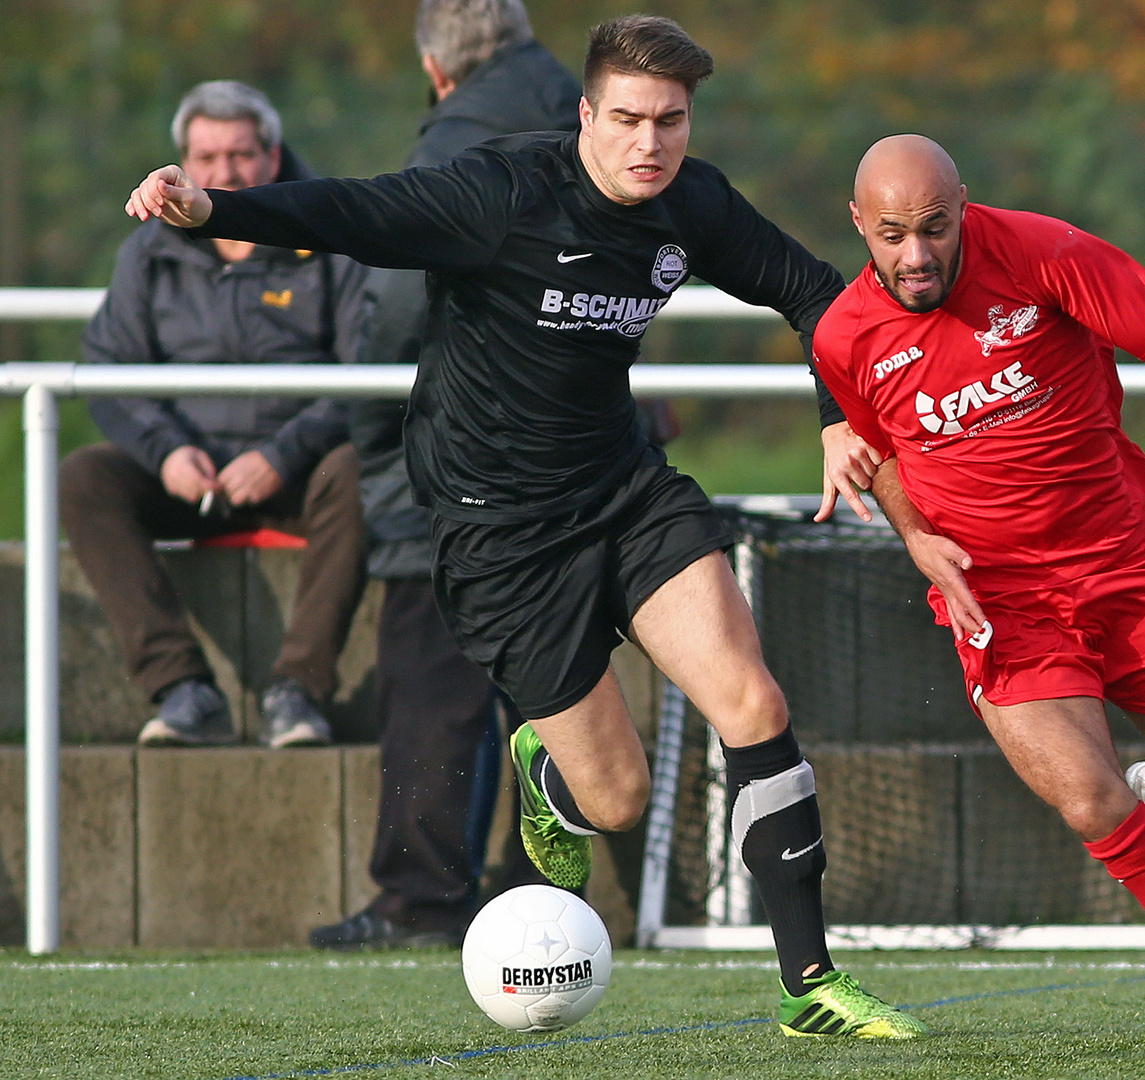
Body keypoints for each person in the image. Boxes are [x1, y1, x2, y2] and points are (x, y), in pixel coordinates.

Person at [126, 16, 925, 1039]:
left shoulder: (692, 202)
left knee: (751, 698)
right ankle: (550, 774)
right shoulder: (500, 193)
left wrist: (833, 419)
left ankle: (808, 983)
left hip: (625, 492)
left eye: (670, 121)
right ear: (585, 114)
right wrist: (212, 209)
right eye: (627, 119)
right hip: (498, 534)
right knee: (619, 798)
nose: (649, 144)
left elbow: (816, 295)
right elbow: (353, 213)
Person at [811, 135, 1145, 1041]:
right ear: (859, 227)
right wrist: (917, 539)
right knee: (1089, 799)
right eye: (894, 236)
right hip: (1001, 605)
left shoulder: (1041, 252)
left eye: (937, 229)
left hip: (1120, 563)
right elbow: (884, 455)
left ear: (964, 207)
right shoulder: (843, 337)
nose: (917, 256)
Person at [311, 0, 584, 953]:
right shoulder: (593, 115)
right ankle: (552, 903)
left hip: (462, 456)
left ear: (436, 71)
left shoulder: (459, 142)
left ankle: (422, 902)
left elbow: (391, 303)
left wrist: (372, 435)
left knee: (432, 680)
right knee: (556, 684)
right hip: (576, 456)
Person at [64, 80, 369, 749]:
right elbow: (108, 372)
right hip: (187, 477)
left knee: (361, 471)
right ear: (183, 162)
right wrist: (165, 452)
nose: (224, 172)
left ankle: (298, 691)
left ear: (273, 155)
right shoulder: (149, 248)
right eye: (207, 157)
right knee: (84, 477)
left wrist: (282, 455)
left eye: (240, 155)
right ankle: (182, 689)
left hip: (299, 473)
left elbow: (365, 378)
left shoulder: (326, 235)